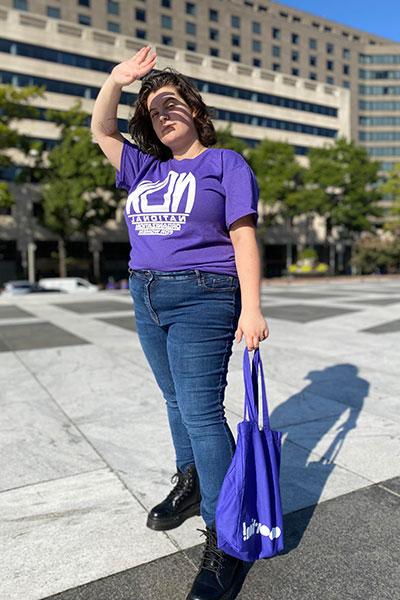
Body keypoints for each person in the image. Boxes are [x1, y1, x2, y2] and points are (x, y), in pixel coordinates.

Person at [91, 46, 269, 600]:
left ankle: (225, 538)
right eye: (152, 109)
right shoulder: (146, 167)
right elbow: (100, 130)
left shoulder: (225, 163)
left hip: (205, 295)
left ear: (194, 109)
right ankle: (189, 481)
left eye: (171, 103)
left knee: (199, 410)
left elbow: (243, 237)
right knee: (174, 402)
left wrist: (253, 306)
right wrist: (119, 82)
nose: (161, 113)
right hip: (144, 294)